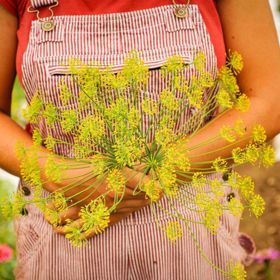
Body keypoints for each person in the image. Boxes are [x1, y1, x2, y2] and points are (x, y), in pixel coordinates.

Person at [0, 0, 279, 279]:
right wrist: (61, 175)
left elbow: (270, 100)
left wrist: (154, 174)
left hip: (192, 227)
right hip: (65, 224)